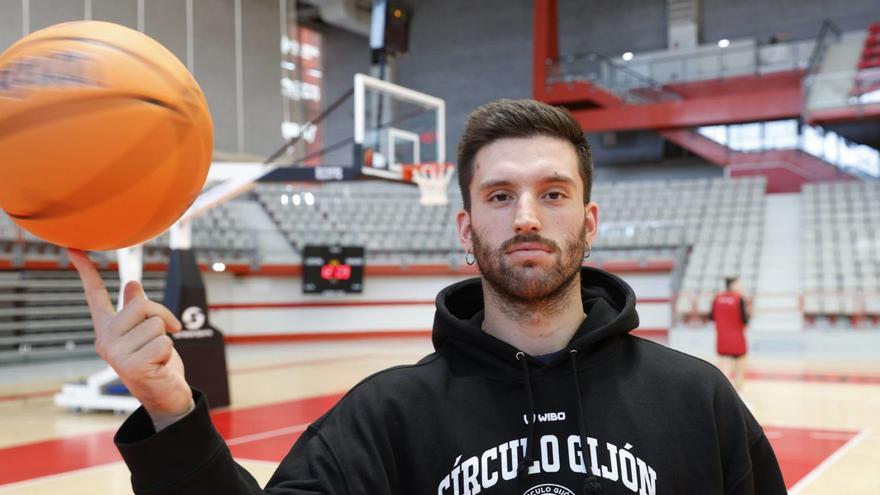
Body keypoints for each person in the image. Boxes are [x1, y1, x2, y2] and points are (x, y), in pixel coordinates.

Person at [69, 99, 786, 494]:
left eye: (553, 193)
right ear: (466, 227)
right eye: (501, 195)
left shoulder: (697, 401)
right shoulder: (386, 417)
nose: (527, 217)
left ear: (589, 222)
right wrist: (169, 405)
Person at [710, 277, 751, 391]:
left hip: (722, 340)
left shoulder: (717, 298)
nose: (741, 287)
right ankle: (740, 398)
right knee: (739, 371)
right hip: (737, 340)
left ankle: (722, 399)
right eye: (739, 284)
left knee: (724, 372)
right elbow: (745, 320)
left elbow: (711, 317)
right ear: (732, 285)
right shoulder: (740, 299)